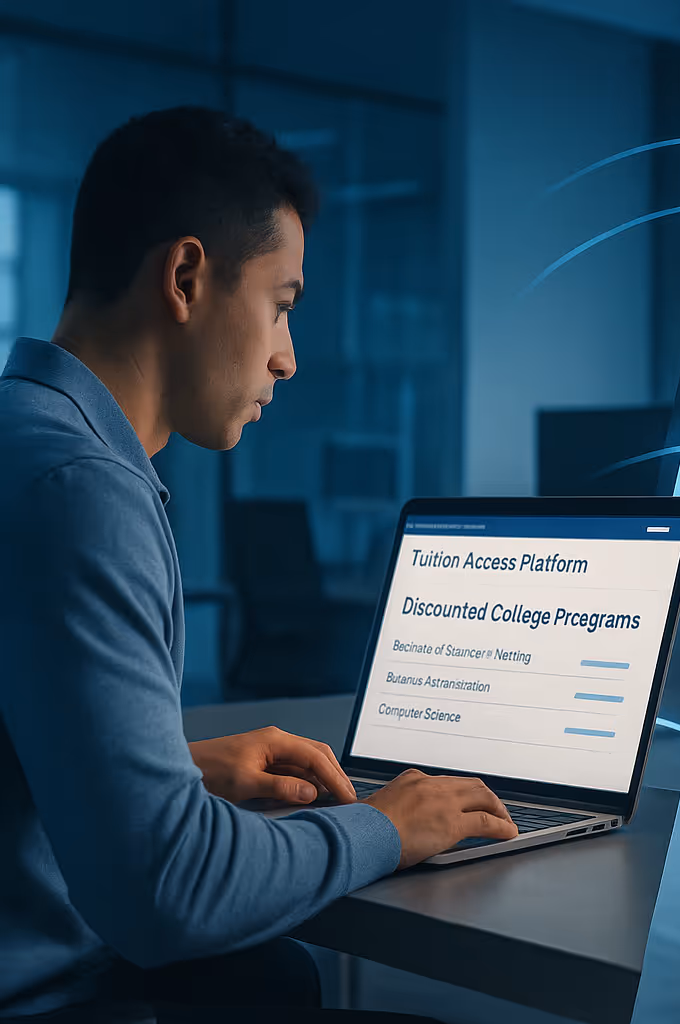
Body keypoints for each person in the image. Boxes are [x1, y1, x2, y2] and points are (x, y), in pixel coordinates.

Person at [0, 107, 520, 1024]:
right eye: (281, 304)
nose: (286, 358)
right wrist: (384, 827)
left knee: (277, 980)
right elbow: (168, 893)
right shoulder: (82, 490)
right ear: (188, 277)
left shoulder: (23, 441)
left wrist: (175, 767)